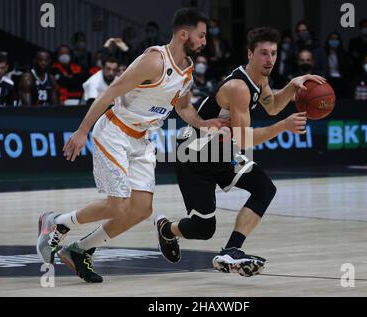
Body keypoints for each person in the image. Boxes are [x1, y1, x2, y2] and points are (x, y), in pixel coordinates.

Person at [36, 7, 228, 283]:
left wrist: (205, 123)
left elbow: (184, 107)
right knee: (118, 205)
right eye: (201, 35)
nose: (204, 41)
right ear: (184, 34)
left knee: (140, 209)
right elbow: (111, 91)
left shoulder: (186, 69)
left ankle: (80, 251)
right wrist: (82, 130)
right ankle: (57, 222)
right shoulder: (154, 61)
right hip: (114, 131)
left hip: (141, 139)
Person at [154, 27, 325, 277]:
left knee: (265, 188)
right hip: (196, 154)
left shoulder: (260, 80)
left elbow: (274, 106)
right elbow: (244, 138)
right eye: (263, 53)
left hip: (221, 150)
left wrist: (292, 85)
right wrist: (283, 127)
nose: (269, 59)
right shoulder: (239, 87)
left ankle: (232, 249)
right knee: (203, 229)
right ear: (250, 54)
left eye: (273, 53)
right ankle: (166, 229)